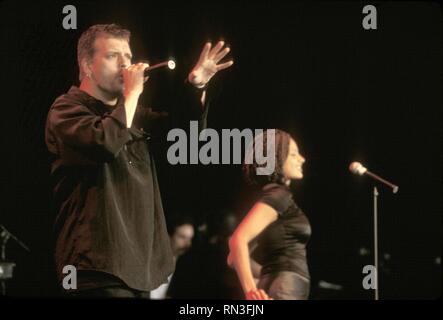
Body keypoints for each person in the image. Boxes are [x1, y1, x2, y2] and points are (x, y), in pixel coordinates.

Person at [45, 23, 233, 298]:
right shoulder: (66, 109)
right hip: (95, 267)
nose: (125, 64)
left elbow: (186, 136)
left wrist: (196, 85)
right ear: (87, 65)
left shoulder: (134, 114)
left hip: (138, 269)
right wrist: (131, 94)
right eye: (113, 56)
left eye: (129, 57)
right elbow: (104, 142)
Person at [227, 129, 311, 300]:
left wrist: (269, 273)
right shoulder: (278, 196)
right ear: (277, 159)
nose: (302, 159)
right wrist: (251, 290)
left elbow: (232, 259)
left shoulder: (276, 198)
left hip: (280, 286)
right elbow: (238, 240)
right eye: (294, 154)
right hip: (286, 289)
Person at [150, 216, 195, 299]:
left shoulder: (187, 267)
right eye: (182, 237)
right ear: (168, 236)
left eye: (190, 239)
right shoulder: (150, 259)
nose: (188, 244)